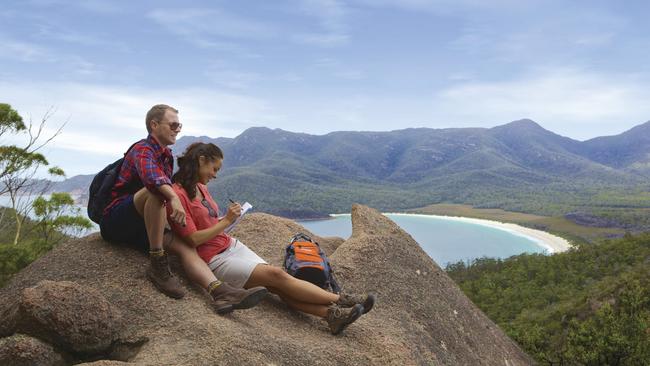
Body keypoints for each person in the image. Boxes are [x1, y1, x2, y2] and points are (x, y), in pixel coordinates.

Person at [168, 142, 376, 334]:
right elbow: (192, 239)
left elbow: (210, 221)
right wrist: (225, 222)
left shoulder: (200, 187)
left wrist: (227, 218)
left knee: (276, 285)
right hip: (213, 260)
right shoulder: (177, 196)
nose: (215, 175)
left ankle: (332, 316)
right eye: (214, 169)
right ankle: (342, 300)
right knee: (277, 276)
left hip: (230, 245)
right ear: (201, 160)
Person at [99, 104, 267, 313]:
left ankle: (220, 292)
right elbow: (154, 181)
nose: (178, 129)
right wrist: (173, 198)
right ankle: (157, 262)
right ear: (154, 124)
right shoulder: (142, 149)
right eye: (173, 124)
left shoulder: (166, 156)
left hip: (144, 226)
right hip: (117, 220)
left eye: (180, 125)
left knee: (186, 247)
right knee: (157, 191)